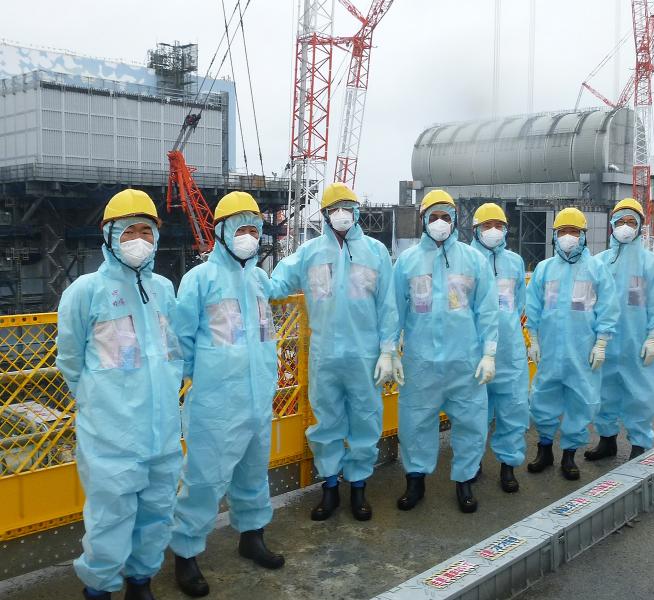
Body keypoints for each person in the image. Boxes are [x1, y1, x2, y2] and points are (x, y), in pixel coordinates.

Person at [56, 189, 183, 600]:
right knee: (109, 520)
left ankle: (141, 581)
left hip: (162, 432)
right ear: (109, 234)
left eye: (147, 230)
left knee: (157, 512)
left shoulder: (164, 288)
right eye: (130, 230)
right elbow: (71, 361)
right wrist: (99, 403)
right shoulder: (84, 291)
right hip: (110, 437)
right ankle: (100, 588)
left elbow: (174, 351)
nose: (139, 239)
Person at [169, 192, 284, 597]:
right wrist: (176, 390)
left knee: (253, 473)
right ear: (221, 232)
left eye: (255, 228)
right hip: (216, 403)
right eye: (242, 229)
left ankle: (252, 535)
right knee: (203, 481)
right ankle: (185, 553)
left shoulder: (258, 279)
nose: (249, 237)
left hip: (257, 398)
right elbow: (180, 339)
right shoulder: (199, 280)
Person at [270, 182, 400, 522]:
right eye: (334, 208)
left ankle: (358, 487)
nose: (341, 214)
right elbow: (277, 282)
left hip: (365, 354)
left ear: (357, 212)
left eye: (347, 207)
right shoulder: (309, 253)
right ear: (326, 215)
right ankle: (329, 488)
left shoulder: (375, 252)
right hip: (325, 354)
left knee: (366, 418)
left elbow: (388, 306)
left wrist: (388, 349)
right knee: (325, 421)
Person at [393, 189, 498, 513]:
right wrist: (390, 350)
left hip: (464, 360)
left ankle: (465, 481)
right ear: (423, 220)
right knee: (415, 421)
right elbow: (394, 309)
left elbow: (487, 310)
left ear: (455, 221)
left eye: (446, 217)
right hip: (420, 360)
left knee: (470, 421)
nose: (440, 223)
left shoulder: (473, 260)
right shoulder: (408, 261)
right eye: (434, 217)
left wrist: (489, 352)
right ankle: (415, 481)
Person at [525, 207, 619, 481]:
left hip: (582, 350)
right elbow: (533, 308)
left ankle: (569, 455)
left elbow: (607, 309)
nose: (568, 237)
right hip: (551, 350)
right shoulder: (544, 269)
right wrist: (533, 339)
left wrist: (601, 343)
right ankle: (544, 450)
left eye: (573, 232)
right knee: (543, 398)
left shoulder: (596, 269)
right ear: (554, 236)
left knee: (581, 402)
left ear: (583, 236)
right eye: (563, 232)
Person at [585, 198, 654, 462]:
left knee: (641, 393)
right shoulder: (598, 263)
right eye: (620, 221)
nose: (625, 227)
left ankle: (639, 444)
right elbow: (588, 302)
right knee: (603, 391)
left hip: (637, 341)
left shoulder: (653, 264)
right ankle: (607, 440)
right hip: (604, 341)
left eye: (631, 222)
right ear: (611, 224)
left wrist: (653, 336)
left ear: (641, 226)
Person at [469, 203, 528, 493]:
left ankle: (508, 466)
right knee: (474, 411)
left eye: (499, 225)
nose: (493, 231)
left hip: (510, 350)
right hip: (473, 349)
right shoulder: (465, 260)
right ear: (475, 230)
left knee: (513, 408)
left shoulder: (515, 262)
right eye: (486, 225)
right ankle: (472, 463)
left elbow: (520, 302)